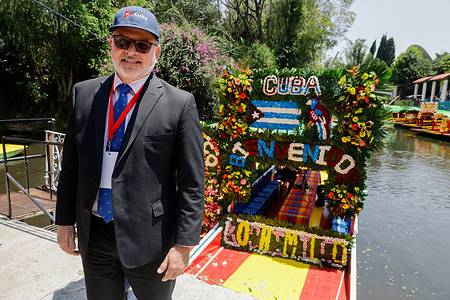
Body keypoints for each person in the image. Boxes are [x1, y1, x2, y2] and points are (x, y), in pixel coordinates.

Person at [55, 6, 205, 300]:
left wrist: (183, 245)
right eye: (123, 41)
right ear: (111, 45)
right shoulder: (84, 95)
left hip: (152, 241)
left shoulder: (179, 104)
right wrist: (64, 221)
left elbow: (192, 182)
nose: (131, 52)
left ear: (156, 53)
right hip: (94, 235)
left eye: (142, 45)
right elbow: (70, 166)